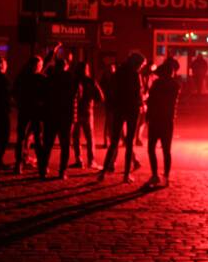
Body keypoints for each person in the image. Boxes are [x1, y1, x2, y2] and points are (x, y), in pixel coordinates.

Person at [99, 52, 146, 183]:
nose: (141, 67)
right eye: (141, 65)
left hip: (119, 108)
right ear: (137, 64)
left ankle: (103, 172)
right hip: (131, 109)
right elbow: (138, 93)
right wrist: (141, 103)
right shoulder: (135, 74)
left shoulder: (119, 72)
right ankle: (126, 175)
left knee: (114, 141)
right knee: (129, 142)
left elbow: (112, 89)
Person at [40, 48, 78, 180]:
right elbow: (75, 96)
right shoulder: (70, 79)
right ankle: (62, 171)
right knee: (65, 145)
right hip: (65, 116)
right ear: (66, 67)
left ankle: (44, 169)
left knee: (48, 145)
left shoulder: (50, 78)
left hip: (50, 115)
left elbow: (43, 95)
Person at [146, 60, 181, 187]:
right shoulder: (175, 85)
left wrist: (148, 115)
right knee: (166, 150)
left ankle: (155, 174)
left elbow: (151, 101)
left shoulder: (157, 84)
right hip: (167, 120)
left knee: (151, 148)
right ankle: (166, 176)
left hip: (156, 119)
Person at [13, 55, 46, 174]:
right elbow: (46, 95)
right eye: (40, 65)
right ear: (37, 66)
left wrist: (19, 102)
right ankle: (42, 166)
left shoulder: (21, 77)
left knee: (21, 137)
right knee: (38, 138)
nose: (41, 67)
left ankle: (19, 164)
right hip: (36, 111)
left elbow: (14, 92)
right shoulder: (41, 78)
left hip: (23, 110)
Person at [72, 60, 105, 171]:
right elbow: (100, 97)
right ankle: (91, 161)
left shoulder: (74, 80)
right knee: (90, 137)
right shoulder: (90, 81)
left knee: (76, 137)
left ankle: (79, 160)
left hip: (75, 112)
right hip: (87, 111)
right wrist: (92, 103)